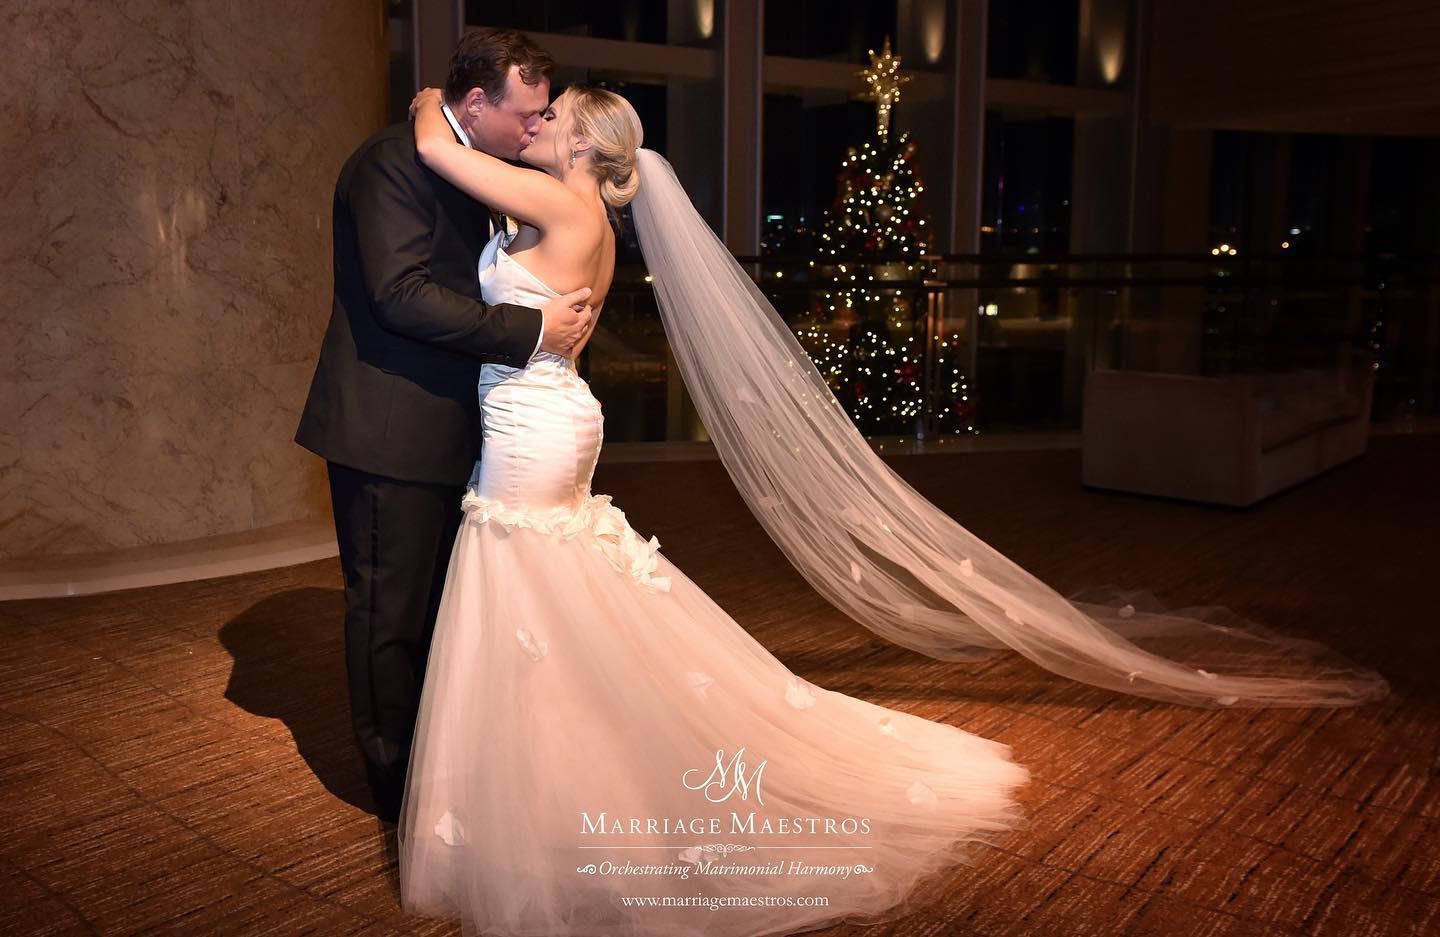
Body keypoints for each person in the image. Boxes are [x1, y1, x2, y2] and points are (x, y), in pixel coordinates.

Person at [397, 78, 1386, 937]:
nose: (538, 120)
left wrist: (435, 93)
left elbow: (436, 142)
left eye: (553, 114)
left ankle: (561, 793)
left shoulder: (558, 208)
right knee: (560, 592)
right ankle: (573, 774)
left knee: (533, 580)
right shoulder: (589, 219)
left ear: (581, 142)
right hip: (554, 413)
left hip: (534, 424)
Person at [293, 28, 594, 824]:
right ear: (474, 103)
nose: (535, 128)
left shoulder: (467, 162)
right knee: (388, 612)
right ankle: (394, 789)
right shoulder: (394, 161)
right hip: (390, 425)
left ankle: (436, 759)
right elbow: (400, 294)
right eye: (526, 114)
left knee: (433, 608)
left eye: (541, 117)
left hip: (456, 426)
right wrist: (529, 333)